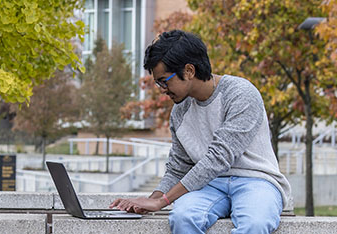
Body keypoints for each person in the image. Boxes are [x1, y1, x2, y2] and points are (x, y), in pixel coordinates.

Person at [110, 30, 293, 234]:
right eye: (158, 82)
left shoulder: (241, 94)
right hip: (211, 185)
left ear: (189, 70)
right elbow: (178, 167)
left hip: (256, 180)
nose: (162, 89)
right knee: (182, 217)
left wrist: (163, 202)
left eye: (164, 80)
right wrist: (149, 201)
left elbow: (219, 158)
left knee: (255, 224)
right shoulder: (179, 112)